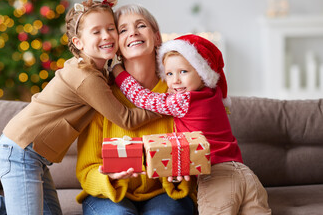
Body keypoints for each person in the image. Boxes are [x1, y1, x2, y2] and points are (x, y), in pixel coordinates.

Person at [0, 0, 160, 215]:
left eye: (110, 28)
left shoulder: (96, 70)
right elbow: (127, 119)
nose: (107, 36)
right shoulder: (86, 78)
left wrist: (120, 71)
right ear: (79, 43)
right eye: (96, 32)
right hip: (20, 152)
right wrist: (163, 104)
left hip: (33, 154)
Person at [113, 34, 272, 215]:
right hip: (246, 174)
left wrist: (118, 72)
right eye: (169, 74)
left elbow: (142, 98)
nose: (175, 80)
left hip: (217, 176)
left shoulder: (184, 100)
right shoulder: (214, 94)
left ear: (202, 73)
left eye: (183, 72)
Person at [75, 4, 197, 215]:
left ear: (157, 37)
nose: (133, 32)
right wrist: (109, 177)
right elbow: (87, 170)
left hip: (163, 193)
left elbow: (198, 152)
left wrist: (179, 174)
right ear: (116, 45)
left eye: (141, 25)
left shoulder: (179, 96)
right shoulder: (103, 95)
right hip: (108, 196)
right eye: (123, 30)